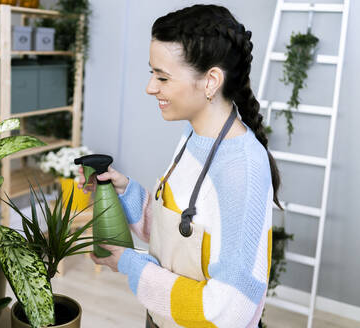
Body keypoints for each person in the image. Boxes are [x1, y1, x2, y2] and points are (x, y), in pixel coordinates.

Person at [78, 4, 281, 328]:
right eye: (151, 73)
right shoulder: (193, 137)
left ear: (211, 81)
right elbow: (179, 235)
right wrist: (125, 190)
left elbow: (228, 311)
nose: (150, 87)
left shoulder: (242, 171)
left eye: (162, 76)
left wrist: (130, 264)